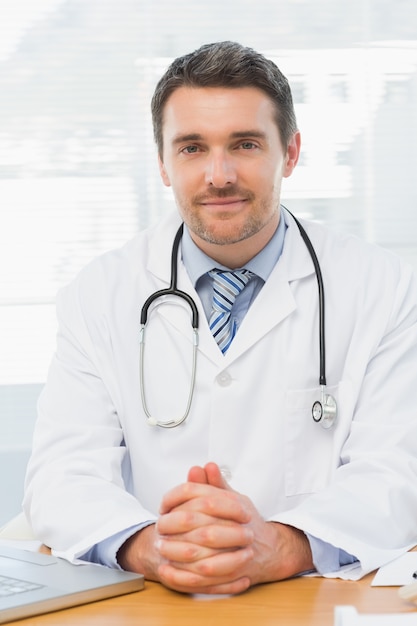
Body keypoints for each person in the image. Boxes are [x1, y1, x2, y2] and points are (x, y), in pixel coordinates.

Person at [23, 41, 417, 596]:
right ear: (162, 162)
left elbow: (397, 472)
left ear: (292, 152)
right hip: (154, 599)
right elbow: (62, 476)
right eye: (191, 148)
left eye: (246, 144)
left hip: (311, 597)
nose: (219, 174)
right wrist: (153, 547)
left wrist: (279, 546)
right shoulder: (99, 294)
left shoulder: (382, 286)